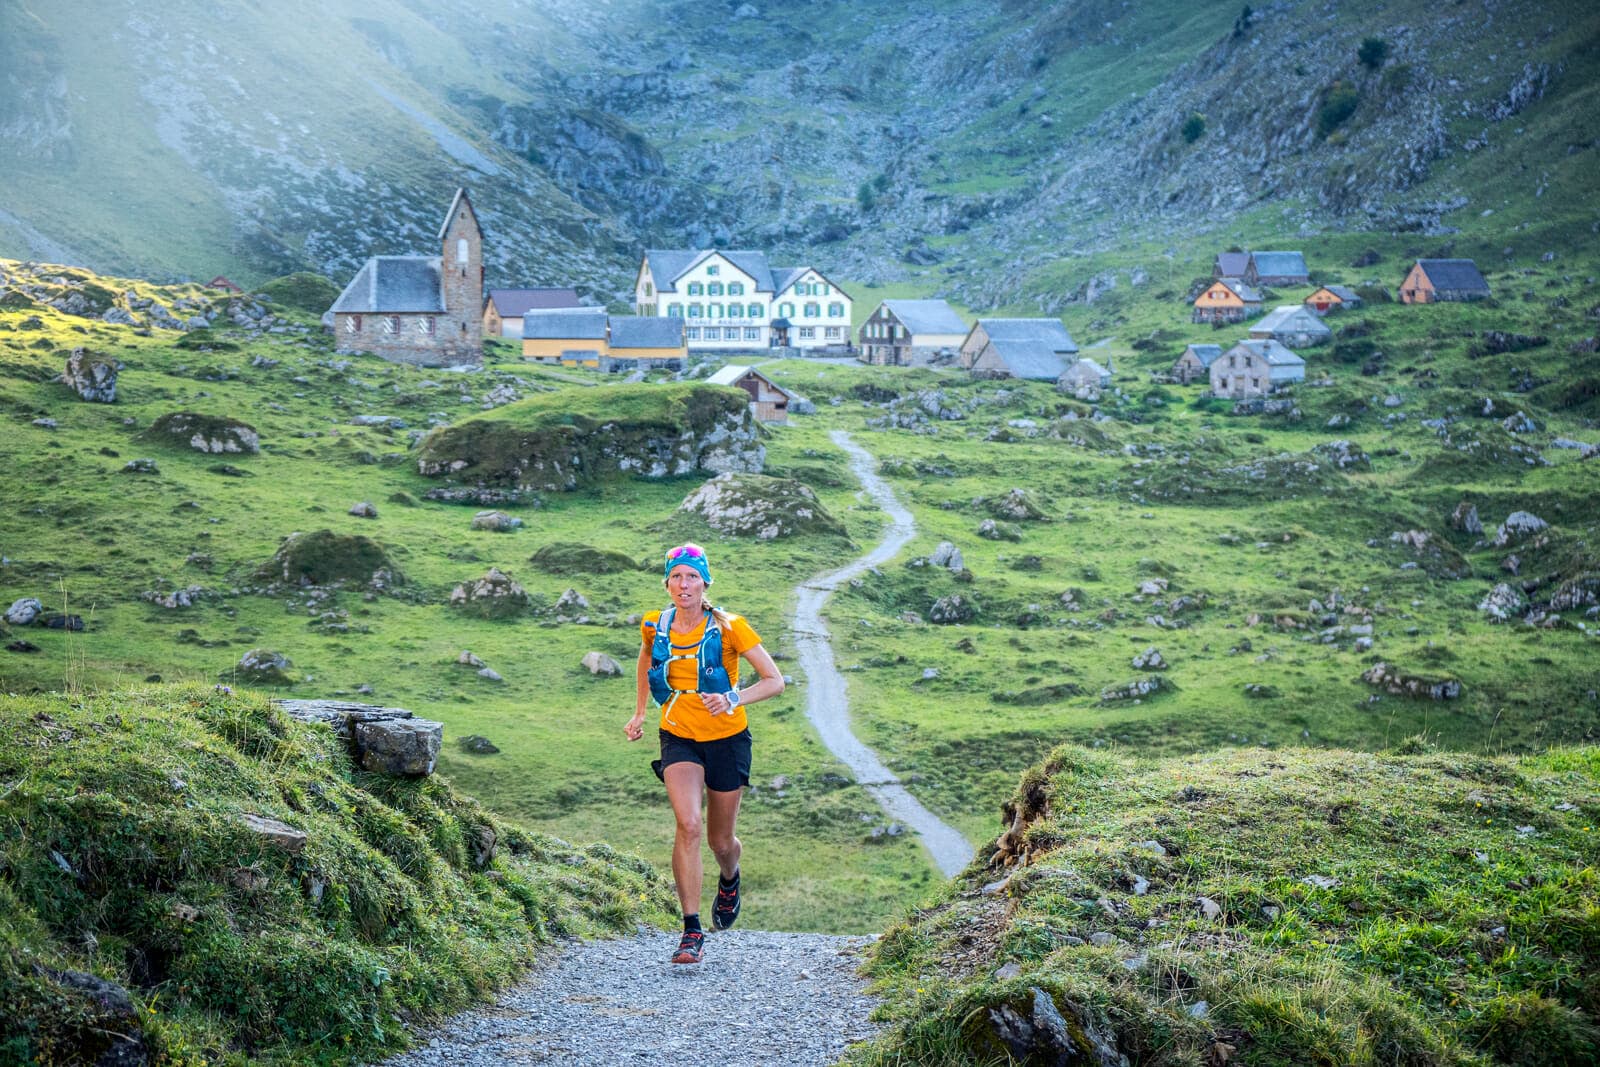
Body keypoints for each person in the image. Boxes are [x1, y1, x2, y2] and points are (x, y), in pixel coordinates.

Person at [625, 542, 784, 964]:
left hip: (727, 740)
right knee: (689, 824)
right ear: (667, 583)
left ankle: (730, 877)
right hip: (677, 735)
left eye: (691, 576)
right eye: (676, 576)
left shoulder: (731, 626)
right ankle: (691, 930)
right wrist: (640, 712)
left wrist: (733, 697)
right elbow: (645, 662)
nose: (683, 584)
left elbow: (774, 681)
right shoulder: (653, 625)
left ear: (705, 582)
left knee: (720, 840)